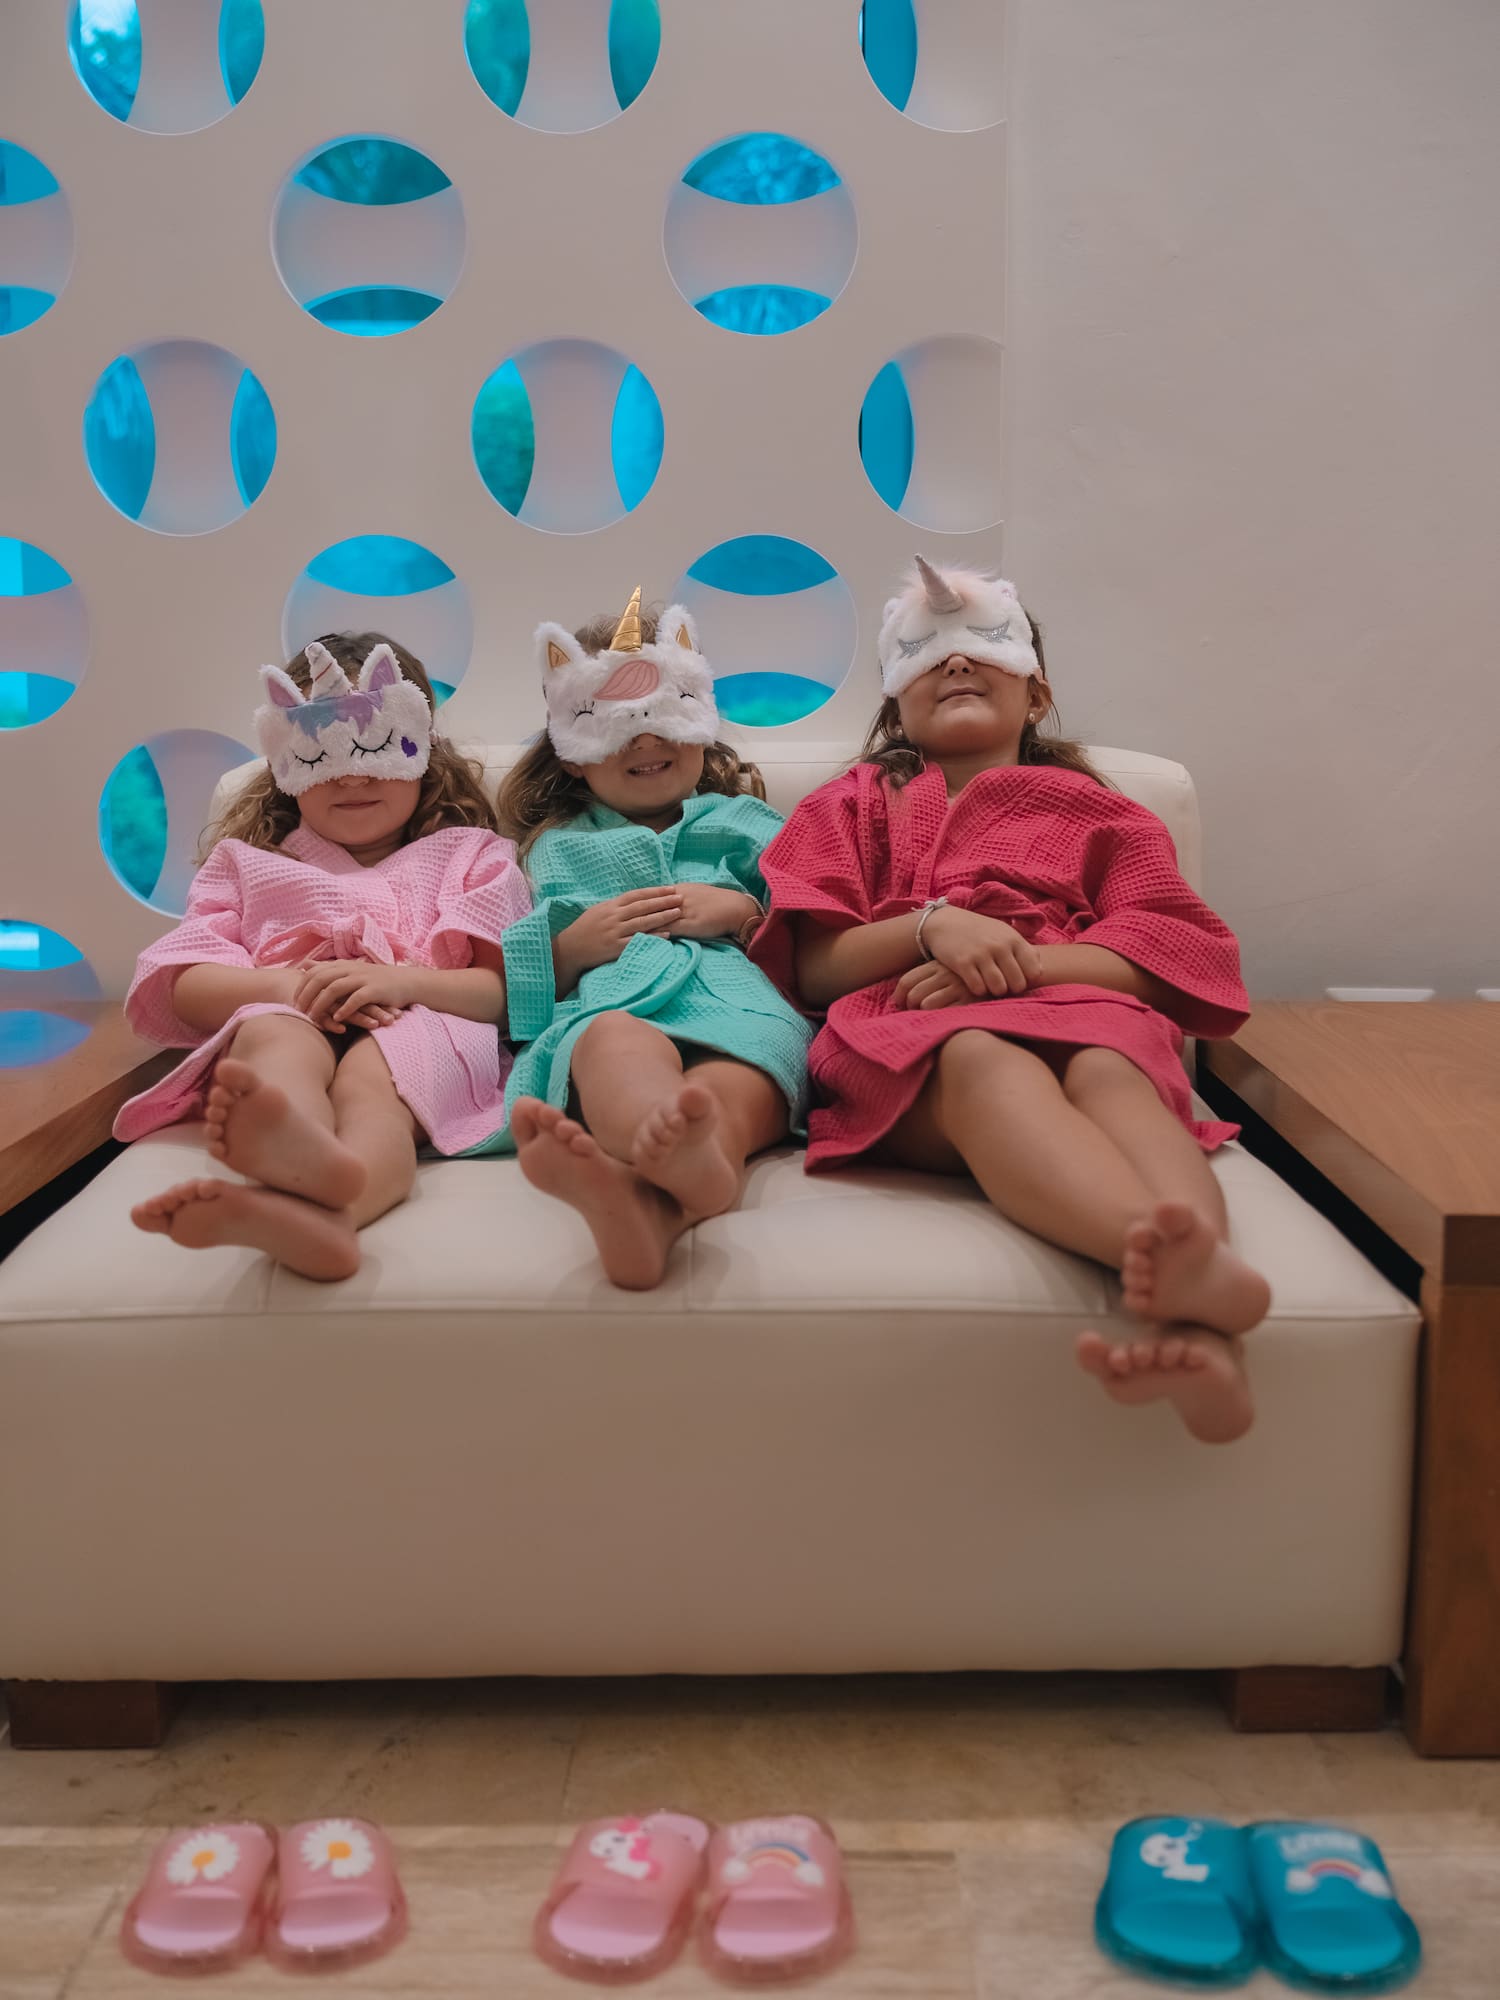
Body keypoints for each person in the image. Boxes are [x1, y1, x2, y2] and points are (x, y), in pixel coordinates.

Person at [753, 559, 1269, 1443]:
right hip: (910, 1037)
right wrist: (934, 928)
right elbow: (817, 966)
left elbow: (1176, 955)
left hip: (1082, 1013)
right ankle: (1163, 1255)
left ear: (1037, 692)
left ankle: (1206, 1324)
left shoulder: (1100, 814)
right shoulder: (851, 808)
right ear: (894, 706)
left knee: (1112, 1070)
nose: (952, 664)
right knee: (980, 1058)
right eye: (922, 655)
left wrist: (1026, 963)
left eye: (981, 646)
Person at [117, 633, 528, 1279]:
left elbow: (501, 993)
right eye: (323, 754)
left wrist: (399, 981)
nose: (354, 773)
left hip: (418, 1019)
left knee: (376, 1091)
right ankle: (291, 1144)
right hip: (290, 1007)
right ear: (286, 764)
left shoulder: (472, 856)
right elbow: (180, 983)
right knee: (273, 1045)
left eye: (378, 748)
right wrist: (282, 989)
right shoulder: (248, 866)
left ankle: (335, 1211)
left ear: (421, 750)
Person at [493, 588, 813, 1289]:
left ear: (699, 725)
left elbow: (812, 938)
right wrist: (572, 948)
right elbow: (515, 967)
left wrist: (739, 912)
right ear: (573, 754)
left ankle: (655, 1192)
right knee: (611, 1044)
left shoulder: (753, 824)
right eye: (615, 726)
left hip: (743, 1008)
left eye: (664, 717)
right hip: (617, 1002)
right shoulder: (554, 848)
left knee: (744, 1075)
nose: (644, 739)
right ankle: (656, 1133)